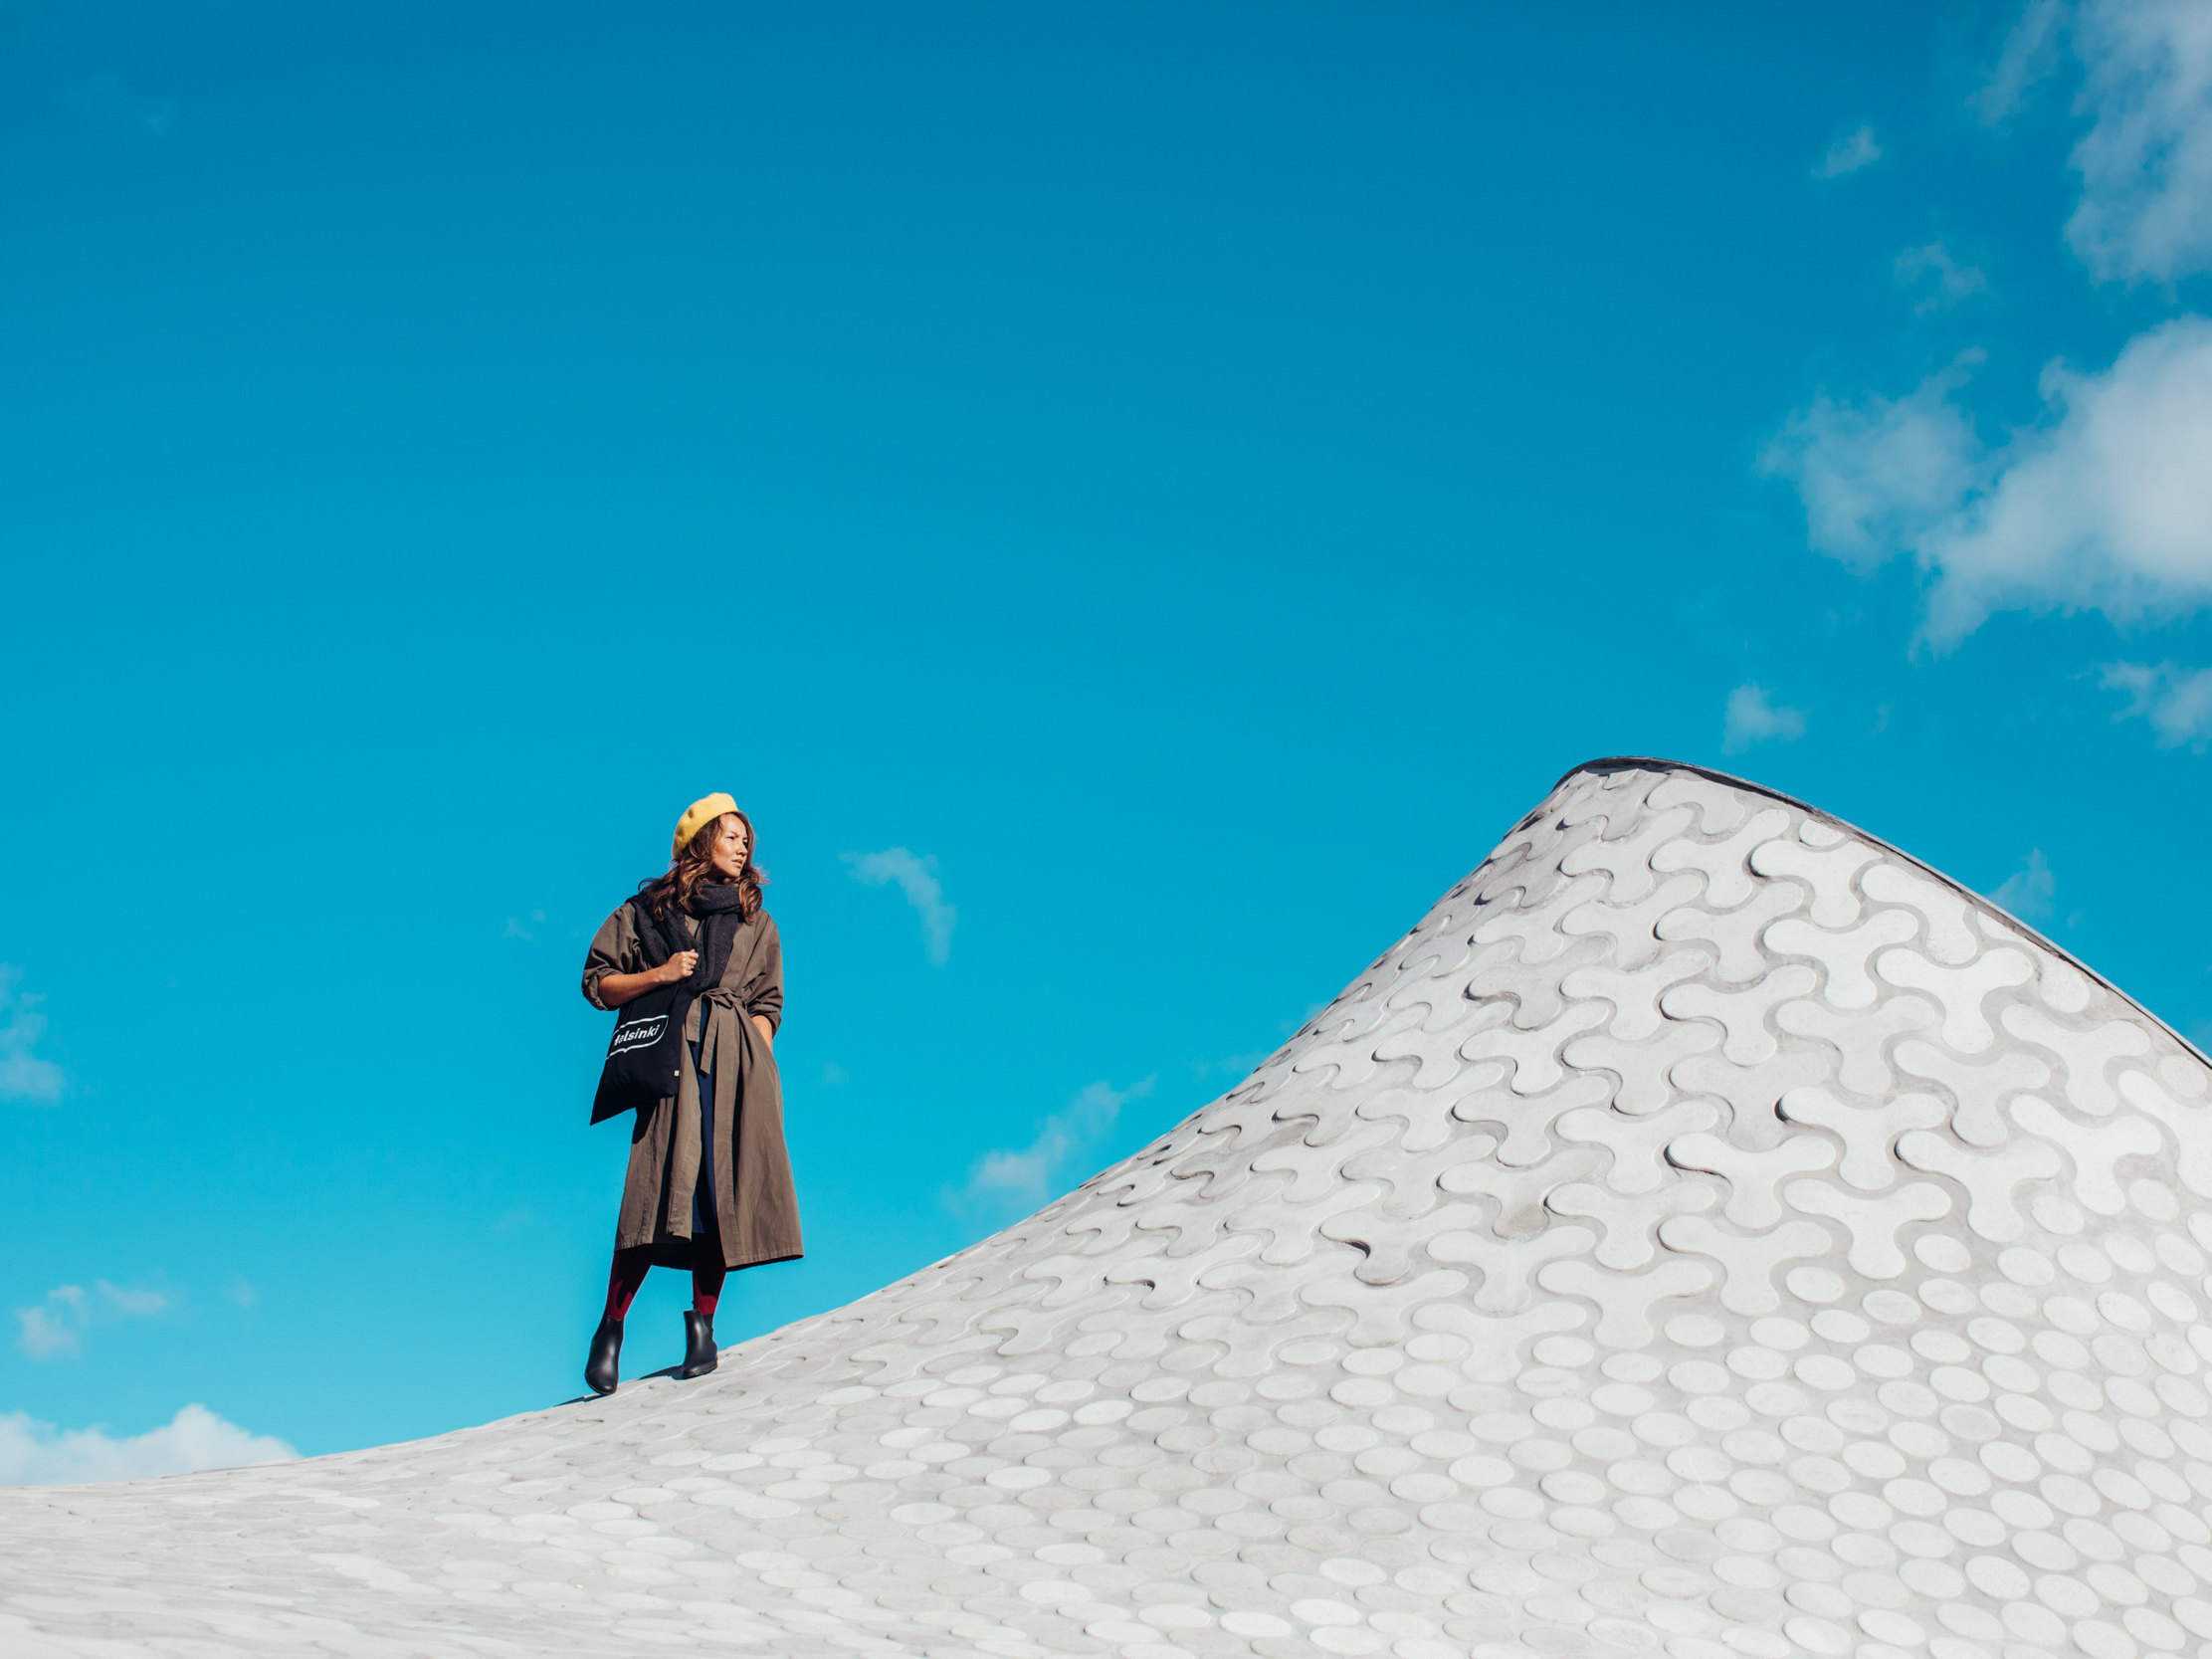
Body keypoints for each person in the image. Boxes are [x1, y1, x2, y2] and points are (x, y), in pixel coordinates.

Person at [578, 793, 802, 1395]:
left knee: (720, 1194)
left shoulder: (757, 920)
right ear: (701, 841)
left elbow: (768, 1003)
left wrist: (756, 1066)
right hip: (671, 1059)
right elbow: (598, 982)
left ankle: (703, 1327)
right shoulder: (644, 913)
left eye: (747, 839)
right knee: (653, 1196)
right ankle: (610, 1328)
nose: (743, 846)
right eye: (731, 836)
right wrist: (661, 974)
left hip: (736, 1066)